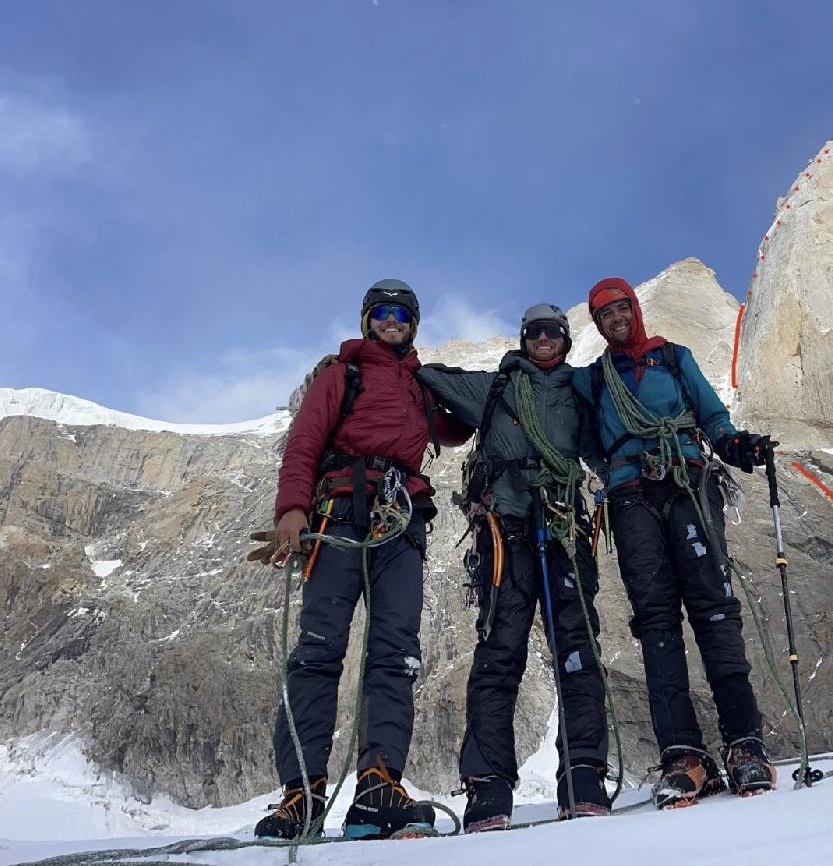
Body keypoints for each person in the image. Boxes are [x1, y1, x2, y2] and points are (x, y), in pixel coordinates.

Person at [249, 279, 471, 840]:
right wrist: (292, 511)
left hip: (401, 519)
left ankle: (377, 785)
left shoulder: (422, 386)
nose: (391, 321)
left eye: (401, 313)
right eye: (382, 312)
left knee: (397, 652)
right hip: (339, 513)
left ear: (413, 324)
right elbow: (303, 443)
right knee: (320, 650)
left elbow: (461, 426)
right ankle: (302, 793)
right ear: (368, 320)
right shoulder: (341, 375)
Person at [571, 277, 778, 809]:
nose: (616, 318)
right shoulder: (595, 379)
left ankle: (744, 743)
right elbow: (587, 439)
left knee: (713, 611)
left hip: (687, 483)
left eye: (622, 308)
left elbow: (711, 414)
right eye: (605, 314)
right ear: (597, 325)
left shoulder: (673, 357)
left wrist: (734, 445)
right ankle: (683, 756)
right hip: (632, 498)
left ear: (634, 310)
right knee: (656, 620)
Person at [416, 303, 610, 831]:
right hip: (507, 531)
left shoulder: (580, 391)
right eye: (533, 333)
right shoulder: (495, 388)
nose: (543, 339)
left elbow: (601, 449)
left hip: (563, 527)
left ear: (565, 340)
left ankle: (584, 772)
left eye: (551, 332)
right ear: (524, 339)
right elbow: (429, 376)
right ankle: (488, 784)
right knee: (500, 653)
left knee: (577, 648)